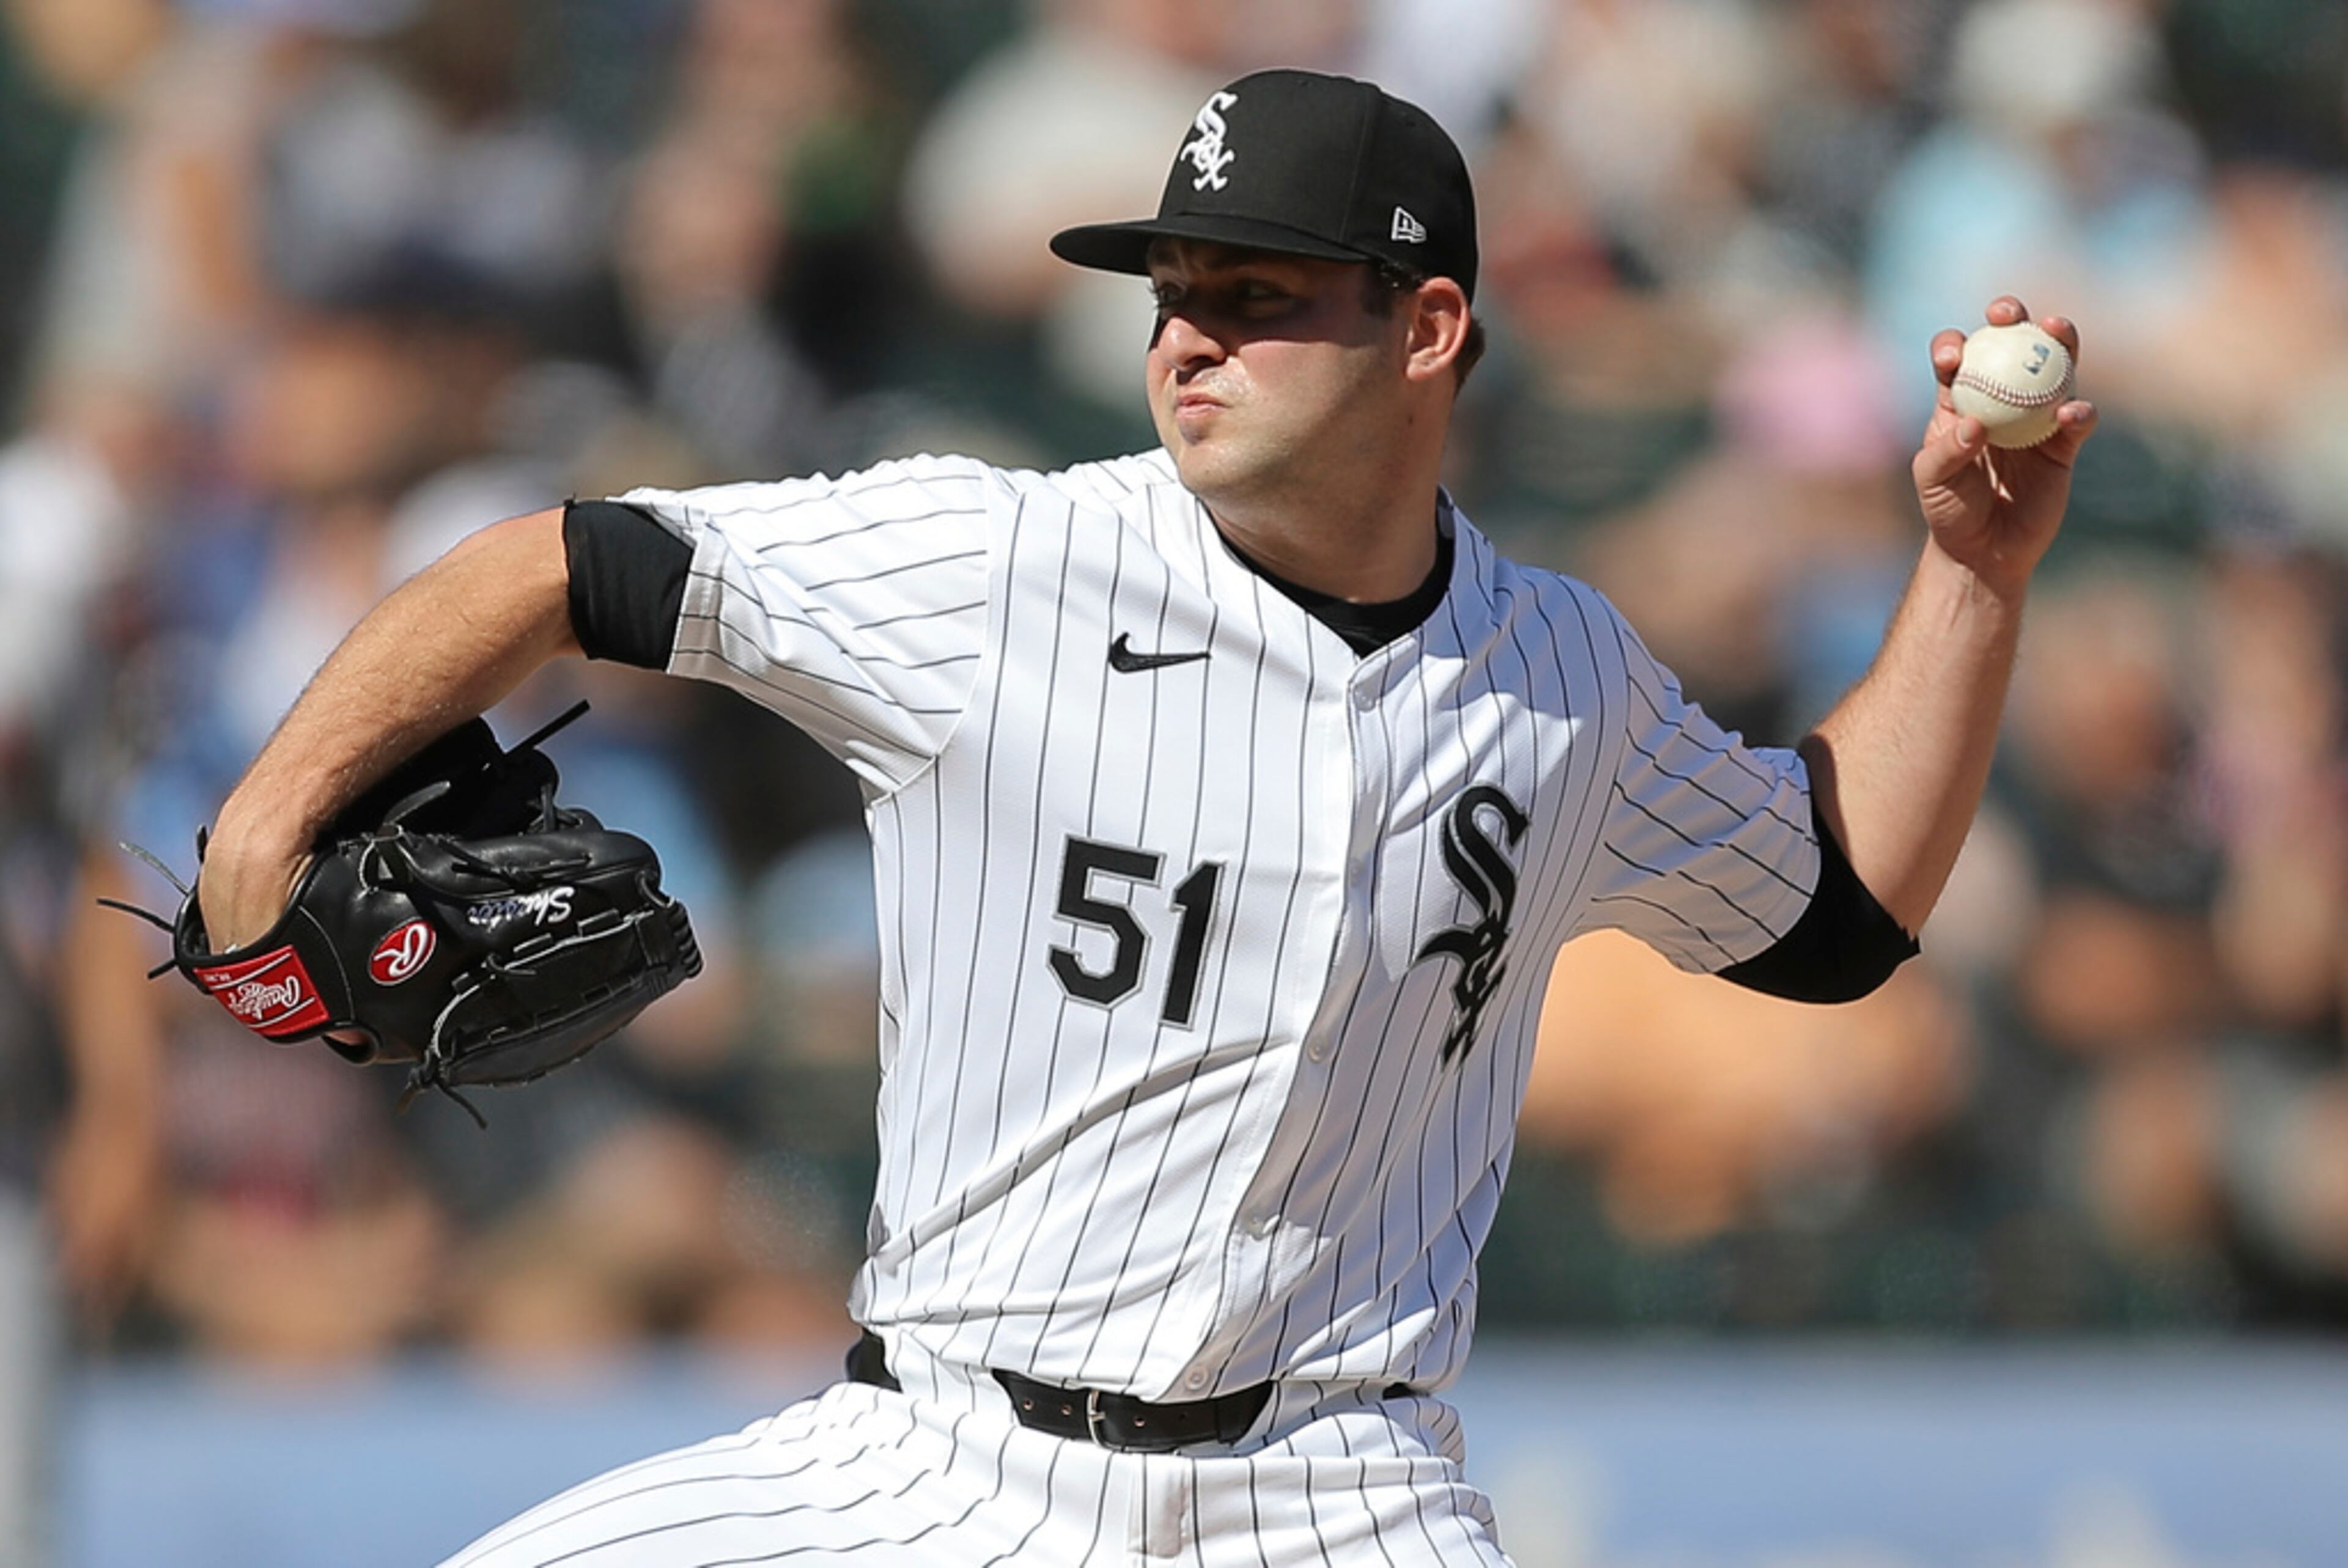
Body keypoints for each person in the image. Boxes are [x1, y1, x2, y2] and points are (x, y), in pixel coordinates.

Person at [193, 69, 2095, 1568]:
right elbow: (563, 558)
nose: (1188, 338)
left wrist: (1975, 581)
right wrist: (260, 827)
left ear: (1428, 327)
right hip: (933, 1468)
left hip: (1339, 1491)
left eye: (1257, 299)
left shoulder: (1563, 675)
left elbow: (1837, 903)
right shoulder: (997, 559)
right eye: (1174, 295)